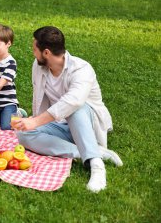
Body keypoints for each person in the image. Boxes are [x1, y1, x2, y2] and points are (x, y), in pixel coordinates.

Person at [13, 26, 123, 193]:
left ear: (47, 53)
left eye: (35, 49)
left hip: (87, 124)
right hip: (61, 124)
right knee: (23, 133)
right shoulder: (38, 66)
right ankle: (90, 151)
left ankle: (97, 166)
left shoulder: (81, 69)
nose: (32, 52)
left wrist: (35, 121)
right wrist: (32, 123)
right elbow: (39, 99)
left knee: (75, 109)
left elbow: (72, 102)